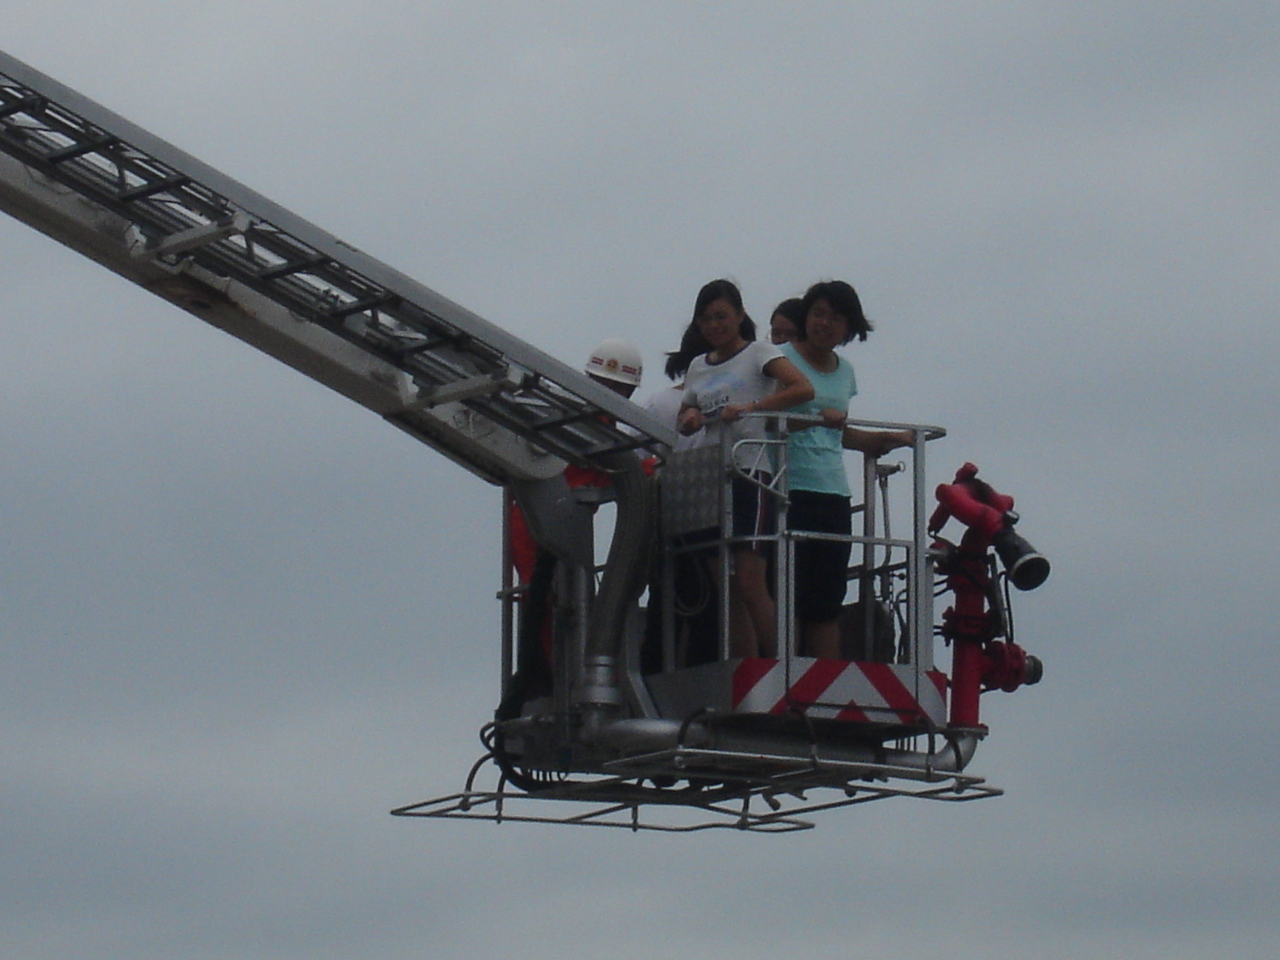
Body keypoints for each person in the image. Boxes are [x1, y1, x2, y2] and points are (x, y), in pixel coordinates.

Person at [676, 279, 814, 658]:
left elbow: (802, 389)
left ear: (739, 315)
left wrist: (752, 408)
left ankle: (782, 666)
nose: (714, 325)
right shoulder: (698, 366)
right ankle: (746, 668)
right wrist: (690, 417)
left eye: (721, 316)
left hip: (749, 472)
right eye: (706, 319)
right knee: (727, 587)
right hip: (710, 477)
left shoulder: (758, 352)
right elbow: (685, 413)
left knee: (751, 580)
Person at [778, 281, 912, 659]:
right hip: (787, 487)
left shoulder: (845, 372)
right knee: (790, 595)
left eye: (836, 317)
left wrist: (882, 439)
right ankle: (788, 676)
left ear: (849, 327)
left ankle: (822, 680)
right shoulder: (779, 360)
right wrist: (814, 419)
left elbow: (838, 431)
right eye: (818, 313)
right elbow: (765, 423)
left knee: (827, 598)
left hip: (834, 491)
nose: (825, 323)